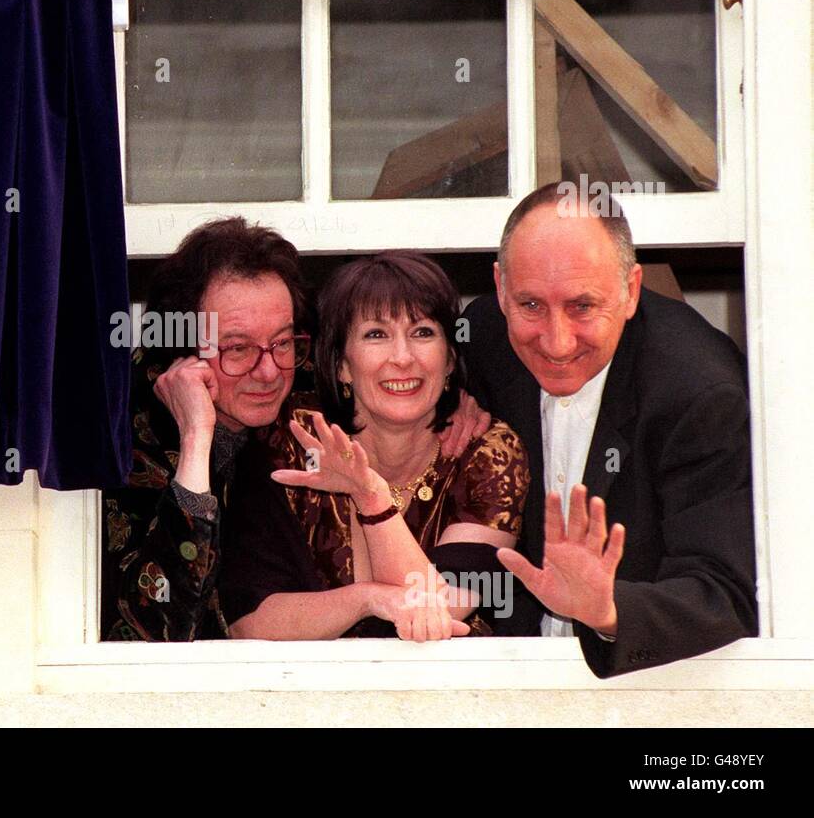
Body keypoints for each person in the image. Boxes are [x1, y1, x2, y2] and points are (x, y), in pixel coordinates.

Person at [102, 220, 489, 642]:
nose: (268, 372)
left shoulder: (307, 376)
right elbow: (158, 628)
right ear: (183, 351)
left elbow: (393, 366)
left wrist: (451, 401)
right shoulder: (125, 430)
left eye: (282, 342)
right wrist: (197, 440)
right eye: (237, 349)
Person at [461, 181, 758, 678]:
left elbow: (724, 593)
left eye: (582, 306)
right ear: (499, 288)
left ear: (631, 290)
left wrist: (608, 610)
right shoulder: (483, 337)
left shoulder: (698, 392)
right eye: (530, 305)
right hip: (506, 674)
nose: (555, 343)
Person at [218, 252, 529, 641]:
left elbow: (435, 613)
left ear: (450, 359)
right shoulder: (291, 438)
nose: (402, 358)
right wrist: (366, 599)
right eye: (376, 334)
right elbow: (250, 623)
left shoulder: (488, 451)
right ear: (341, 366)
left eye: (422, 332)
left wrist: (370, 498)